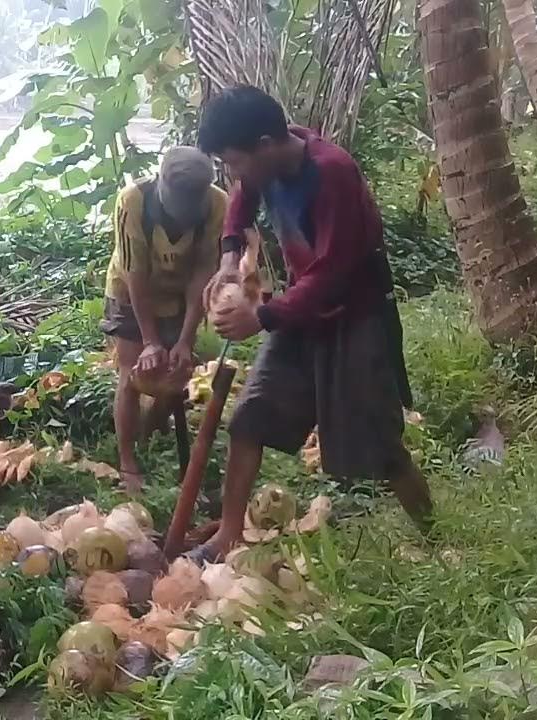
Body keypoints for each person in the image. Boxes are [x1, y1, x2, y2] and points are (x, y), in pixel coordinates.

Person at [190, 86, 434, 560]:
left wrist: (260, 316)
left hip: (354, 318)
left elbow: (333, 273)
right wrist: (228, 258)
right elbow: (241, 203)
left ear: (264, 144)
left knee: (380, 447)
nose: (234, 174)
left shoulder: (332, 172)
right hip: (301, 312)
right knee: (249, 420)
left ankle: (437, 535)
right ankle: (228, 535)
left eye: (235, 161)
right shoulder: (268, 160)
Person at [101, 147, 228, 494]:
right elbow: (135, 275)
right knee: (132, 373)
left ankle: (152, 429)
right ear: (161, 184)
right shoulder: (133, 202)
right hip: (130, 293)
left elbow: (204, 271)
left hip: (179, 294)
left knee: (175, 370)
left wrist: (185, 339)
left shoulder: (218, 205)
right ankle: (127, 460)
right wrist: (150, 341)